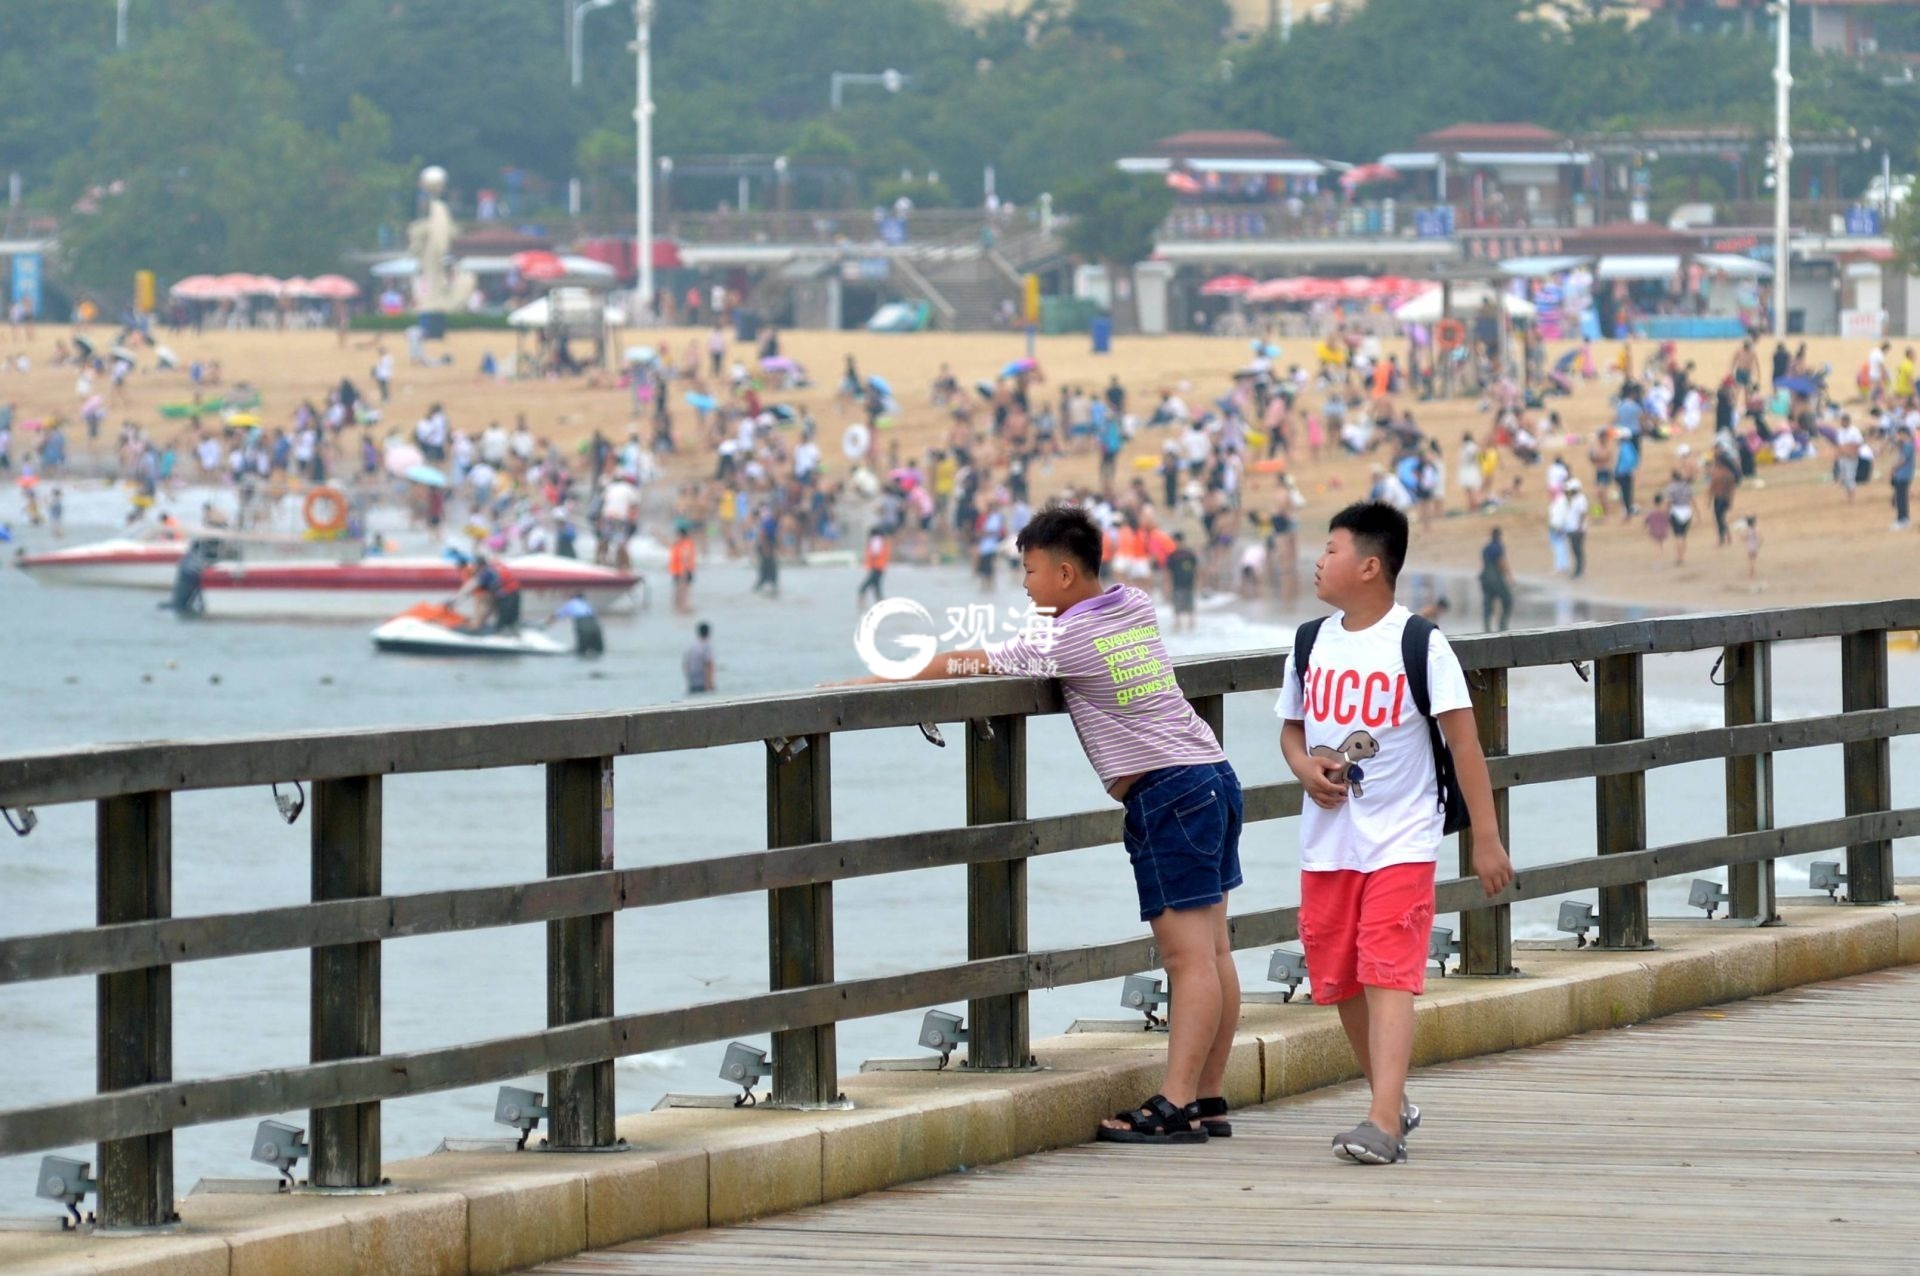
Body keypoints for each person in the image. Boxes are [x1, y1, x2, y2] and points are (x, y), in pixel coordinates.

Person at [832, 503, 1242, 1147]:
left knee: (1188, 959)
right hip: (1212, 773)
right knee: (1214, 951)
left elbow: (973, 663)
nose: (1024, 585)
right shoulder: (1132, 605)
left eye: (1030, 571)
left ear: (1067, 573)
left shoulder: (1064, 638)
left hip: (1169, 792)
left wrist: (879, 677)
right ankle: (1208, 1096)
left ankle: (1178, 1103)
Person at [1279, 501, 1512, 1165]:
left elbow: (1465, 745)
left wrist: (1486, 839)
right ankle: (1394, 1098)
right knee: (1340, 976)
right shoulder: (1310, 642)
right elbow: (1291, 728)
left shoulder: (1420, 643)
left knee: (1387, 967)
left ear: (1370, 566)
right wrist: (1302, 766)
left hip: (1402, 837)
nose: (1319, 561)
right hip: (1328, 841)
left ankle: (1382, 1121)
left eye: (1331, 549)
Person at [456, 554, 521, 632]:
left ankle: (502, 631)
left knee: (504, 616)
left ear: (479, 565)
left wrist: (457, 598)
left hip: (507, 594)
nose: (474, 567)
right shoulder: (491, 569)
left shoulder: (486, 572)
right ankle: (509, 629)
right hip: (513, 592)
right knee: (510, 615)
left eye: (475, 565)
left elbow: (472, 585)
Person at [1478, 528, 1513, 632]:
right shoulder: (1498, 546)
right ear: (1499, 535)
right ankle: (1502, 625)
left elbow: (1484, 563)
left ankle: (1486, 627)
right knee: (1507, 599)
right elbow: (1501, 561)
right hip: (1495, 578)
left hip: (1485, 577)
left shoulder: (1486, 548)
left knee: (1488, 602)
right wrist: (1509, 576)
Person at [1165, 530, 1199, 631]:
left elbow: (1197, 569)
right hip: (1180, 584)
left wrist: (1198, 582)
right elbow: (1168, 573)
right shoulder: (1174, 555)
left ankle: (1188, 624)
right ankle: (1182, 624)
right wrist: (1167, 586)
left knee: (1187, 605)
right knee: (1181, 606)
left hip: (1186, 583)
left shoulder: (1188, 554)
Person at [858, 525, 890, 607]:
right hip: (880, 567)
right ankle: (881, 604)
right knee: (877, 588)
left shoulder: (876, 541)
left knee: (864, 587)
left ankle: (862, 603)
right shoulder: (881, 540)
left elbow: (875, 553)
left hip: (876, 567)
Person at [1891, 422, 1915, 531]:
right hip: (1902, 475)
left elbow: (1902, 460)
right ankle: (1902, 519)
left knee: (1901, 499)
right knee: (1900, 498)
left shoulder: (1908, 445)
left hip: (1903, 476)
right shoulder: (1905, 445)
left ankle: (1903, 519)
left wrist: (1894, 468)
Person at [668, 524, 696, 613]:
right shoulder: (679, 544)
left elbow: (685, 558)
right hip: (678, 572)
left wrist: (683, 573)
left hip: (683, 572)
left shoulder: (685, 544)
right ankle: (679, 610)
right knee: (678, 593)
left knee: (683, 594)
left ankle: (682, 610)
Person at [1564, 478, 1589, 579]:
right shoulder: (1572, 499)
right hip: (1571, 528)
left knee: (1578, 550)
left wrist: (1579, 526)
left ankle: (1579, 569)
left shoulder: (1581, 499)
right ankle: (1577, 569)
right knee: (1573, 549)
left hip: (1578, 529)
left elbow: (1582, 514)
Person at [684, 621, 715, 694]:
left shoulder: (692, 646)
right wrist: (709, 684)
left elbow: (685, 665)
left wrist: (688, 682)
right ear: (708, 633)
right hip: (703, 684)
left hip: (692, 683)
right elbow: (708, 664)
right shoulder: (706, 646)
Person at [1743, 515, 1762, 581]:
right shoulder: (1756, 529)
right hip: (1755, 547)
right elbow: (1760, 538)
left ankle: (1751, 573)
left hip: (1749, 547)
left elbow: (1744, 538)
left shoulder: (1748, 530)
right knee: (1753, 560)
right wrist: (1759, 545)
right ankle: (1753, 572)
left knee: (1750, 561)